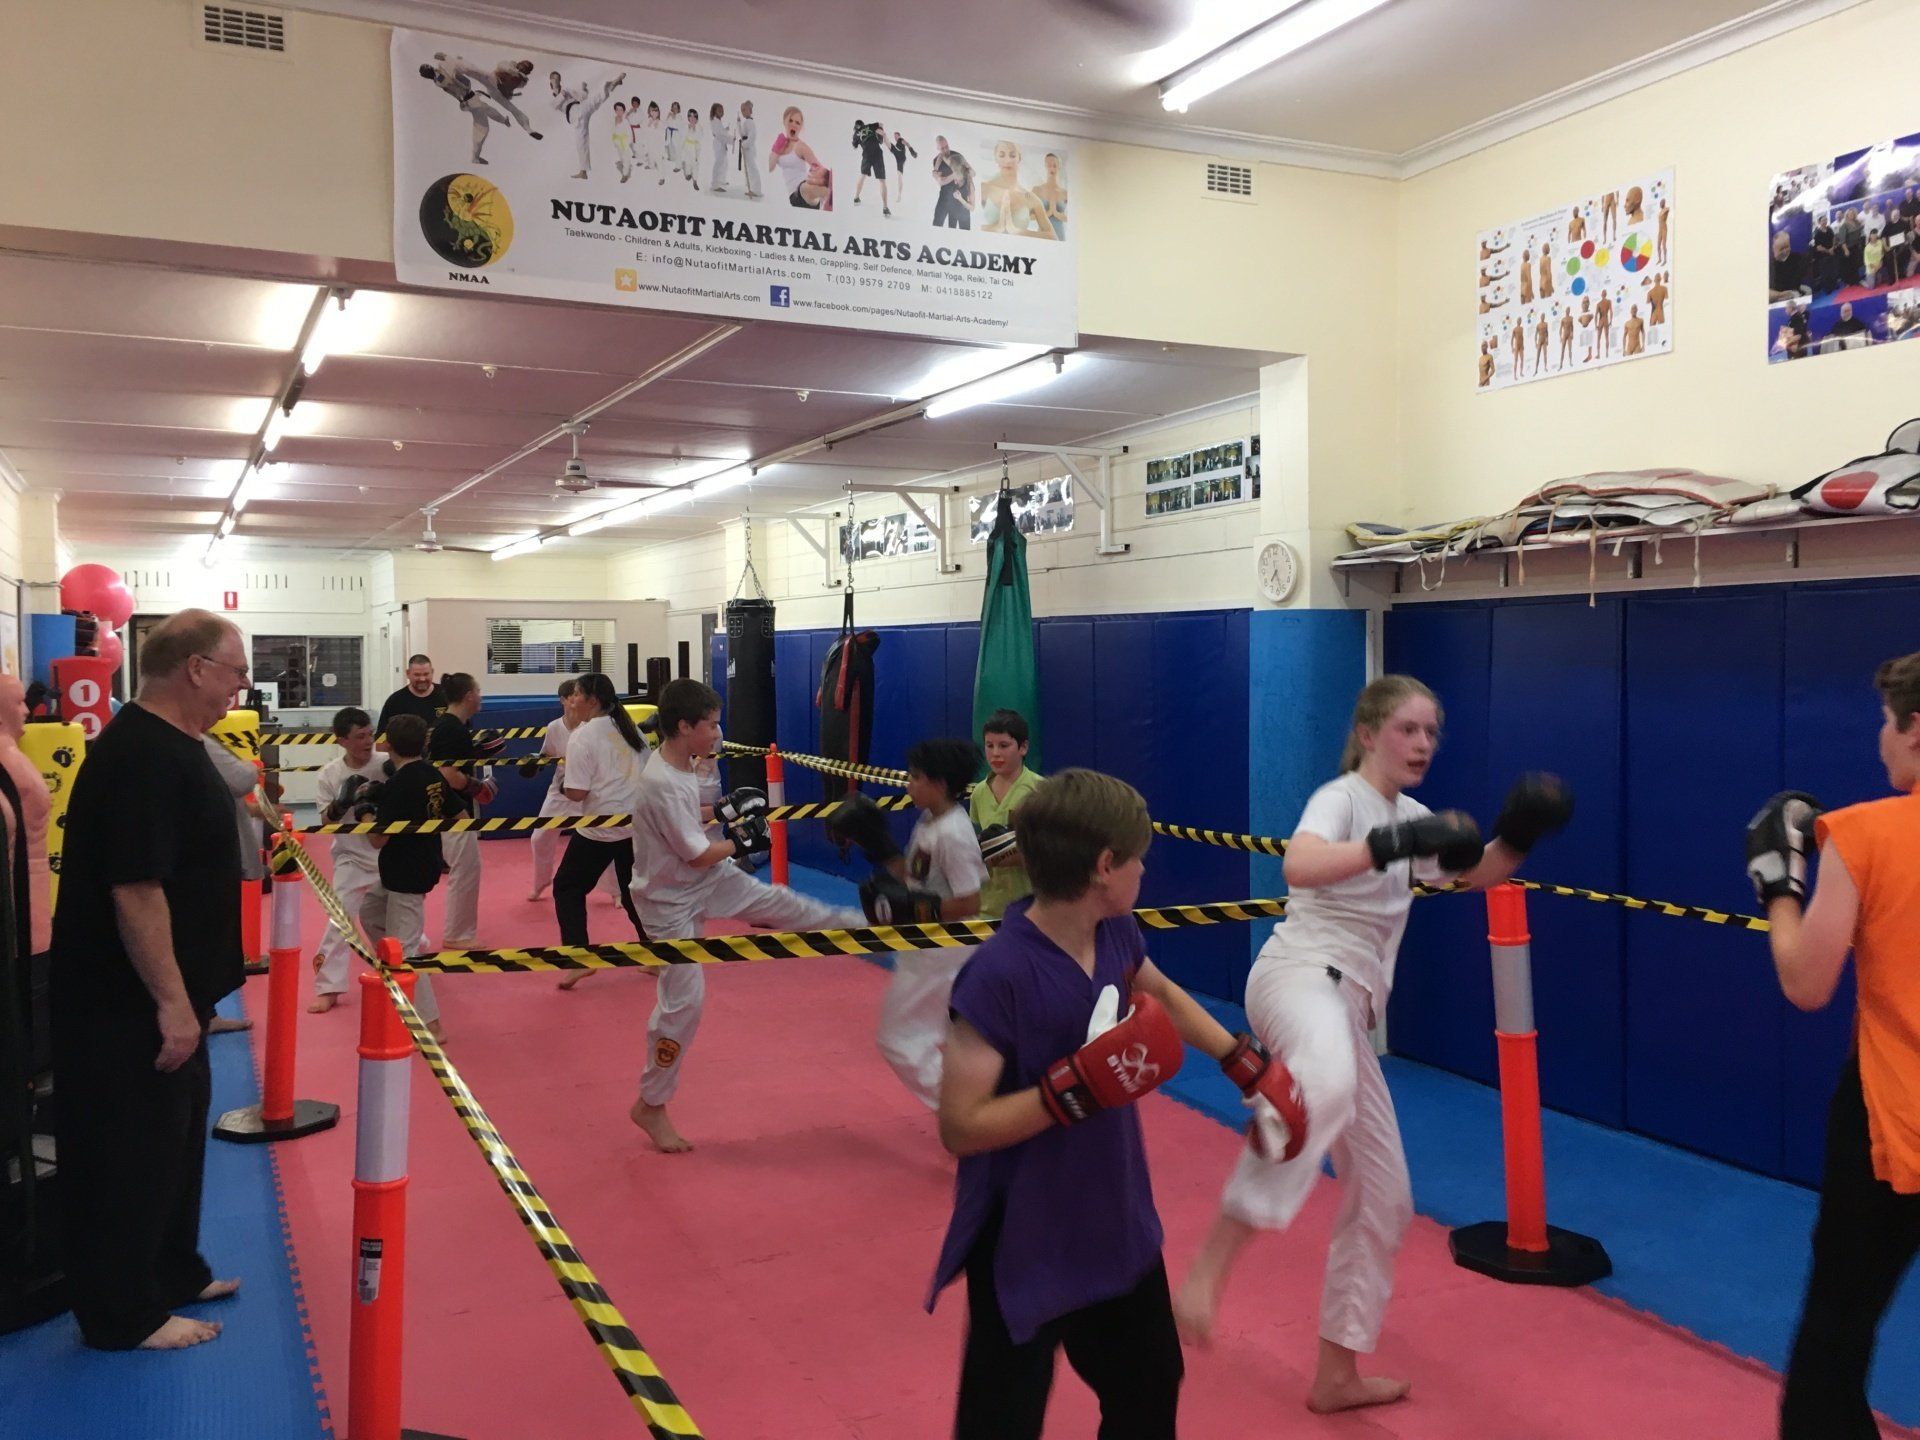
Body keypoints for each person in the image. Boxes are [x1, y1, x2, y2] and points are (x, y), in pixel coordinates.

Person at [1173, 674, 1571, 1413]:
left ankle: (1337, 1374)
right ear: (1367, 734)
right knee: (1322, 1087)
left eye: (1431, 732)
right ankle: (1210, 1266)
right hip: (1299, 977)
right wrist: (1391, 844)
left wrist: (1519, 833)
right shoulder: (1344, 799)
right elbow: (1299, 864)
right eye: (1406, 729)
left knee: (1386, 1197)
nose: (1422, 743)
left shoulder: (1411, 815)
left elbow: (1475, 874)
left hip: (1346, 1006)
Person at [930, 768, 1307, 1439]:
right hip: (1023, 1237)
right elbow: (959, 1127)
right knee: (1002, 1423)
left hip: (1114, 1215)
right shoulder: (996, 975)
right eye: (1138, 858)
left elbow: (1158, 991)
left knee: (1149, 1388)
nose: (1144, 870)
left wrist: (1242, 1062)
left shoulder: (1115, 932)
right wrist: (1070, 1093)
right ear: (1105, 866)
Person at [50, 610, 252, 1350]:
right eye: (235, 673)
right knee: (128, 1150)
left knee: (175, 1141)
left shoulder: (178, 744)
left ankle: (171, 1272)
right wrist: (170, 1003)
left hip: (176, 992)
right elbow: (136, 889)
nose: (239, 689)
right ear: (196, 668)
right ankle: (121, 1314)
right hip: (125, 999)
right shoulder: (140, 754)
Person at [1753, 652, 1920, 1439]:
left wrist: (1779, 888)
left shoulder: (1866, 833)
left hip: (1893, 1125)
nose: (1879, 739)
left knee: (1838, 1330)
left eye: (1885, 722)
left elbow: (1807, 982)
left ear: (1916, 729)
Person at [627, 680, 863, 1153]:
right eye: (712, 725)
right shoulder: (660, 781)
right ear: (684, 727)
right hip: (668, 902)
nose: (718, 733)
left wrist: (720, 811)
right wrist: (740, 841)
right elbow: (697, 853)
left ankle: (857, 925)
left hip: (701, 880)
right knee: (684, 1004)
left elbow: (686, 824)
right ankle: (651, 1104)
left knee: (778, 902)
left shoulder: (679, 766)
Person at [830, 739, 989, 1109]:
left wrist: (918, 912)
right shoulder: (930, 820)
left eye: (916, 778)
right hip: (927, 944)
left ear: (940, 783)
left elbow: (971, 901)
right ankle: (979, 1108)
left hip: (944, 949)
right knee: (954, 1037)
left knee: (898, 1039)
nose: (909, 785)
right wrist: (879, 846)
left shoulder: (954, 833)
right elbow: (916, 881)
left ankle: (962, 1111)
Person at [551, 674, 651, 991]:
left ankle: (578, 959)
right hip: (635, 823)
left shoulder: (582, 736)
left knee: (567, 886)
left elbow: (577, 793)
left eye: (577, 695)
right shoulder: (631, 729)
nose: (572, 701)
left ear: (592, 700)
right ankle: (656, 954)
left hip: (602, 827)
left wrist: (561, 784)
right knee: (632, 892)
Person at [359, 713, 446, 1041]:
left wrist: (365, 810)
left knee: (405, 949)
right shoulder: (431, 774)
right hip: (415, 865)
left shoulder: (399, 785)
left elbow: (377, 839)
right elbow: (456, 811)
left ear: (388, 745)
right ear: (424, 742)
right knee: (370, 912)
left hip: (406, 874)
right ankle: (392, 968)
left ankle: (430, 1024)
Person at [309, 707, 387, 1014]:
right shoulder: (329, 774)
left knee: (398, 920)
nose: (368, 741)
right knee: (338, 919)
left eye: (370, 734)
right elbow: (325, 823)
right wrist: (341, 803)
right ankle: (328, 988)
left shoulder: (387, 765)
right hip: (350, 858)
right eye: (360, 736)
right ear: (342, 741)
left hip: (388, 855)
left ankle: (413, 958)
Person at [427, 673, 503, 951]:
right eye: (478, 691)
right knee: (465, 870)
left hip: (453, 807)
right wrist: (478, 788)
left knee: (467, 869)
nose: (480, 697)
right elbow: (447, 774)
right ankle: (457, 935)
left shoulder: (455, 726)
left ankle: (458, 932)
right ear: (469, 695)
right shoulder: (450, 729)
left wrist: (474, 755)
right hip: (452, 810)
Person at [970, 709, 1042, 920]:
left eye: (1003, 745)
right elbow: (975, 847)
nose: (995, 753)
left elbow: (1054, 852)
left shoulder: (1041, 790)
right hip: (987, 908)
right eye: (989, 745)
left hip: (1031, 907)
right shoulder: (979, 793)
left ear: (1023, 747)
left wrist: (1010, 853)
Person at [0, 674, 50, 960]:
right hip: (21, 907)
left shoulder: (15, 760)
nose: (27, 710)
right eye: (18, 702)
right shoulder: (10, 764)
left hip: (31, 902)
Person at [417, 59, 514, 166]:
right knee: (482, 127)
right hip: (469, 100)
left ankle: (503, 121)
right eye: (428, 69)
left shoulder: (437, 77)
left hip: (469, 98)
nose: (431, 68)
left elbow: (452, 85)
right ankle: (475, 158)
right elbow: (453, 85)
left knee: (487, 110)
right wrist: (463, 97)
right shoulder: (440, 79)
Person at [979, 140, 1058, 239]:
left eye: (1012, 156)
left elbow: (1053, 236)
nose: (1007, 160)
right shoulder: (984, 188)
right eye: (1002, 155)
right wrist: (996, 227)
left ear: (1019, 158)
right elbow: (968, 227)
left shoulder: (1030, 197)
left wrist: (1019, 232)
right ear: (996, 158)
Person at [769, 106, 831, 211]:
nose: (793, 124)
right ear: (784, 121)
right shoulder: (780, 144)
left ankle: (828, 197)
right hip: (794, 198)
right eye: (790, 120)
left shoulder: (801, 147)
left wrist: (818, 178)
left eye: (797, 123)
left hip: (805, 190)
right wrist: (776, 149)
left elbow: (820, 168)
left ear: (801, 126)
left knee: (806, 188)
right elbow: (771, 166)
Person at [376, 654, 445, 742]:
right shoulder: (395, 701)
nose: (422, 679)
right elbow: (381, 737)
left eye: (426, 674)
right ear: (408, 673)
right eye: (417, 675)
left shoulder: (446, 695)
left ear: (432, 672)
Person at [932, 136, 973, 229]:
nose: (945, 149)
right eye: (942, 148)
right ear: (938, 148)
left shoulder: (957, 156)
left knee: (963, 229)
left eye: (946, 146)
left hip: (960, 197)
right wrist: (955, 174)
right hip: (944, 197)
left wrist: (962, 173)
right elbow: (940, 182)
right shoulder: (936, 161)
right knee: (937, 224)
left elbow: (971, 173)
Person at [853, 117, 891, 215]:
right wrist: (880, 133)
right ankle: (885, 208)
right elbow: (881, 124)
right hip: (877, 153)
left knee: (862, 175)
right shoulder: (869, 126)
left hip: (866, 155)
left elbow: (854, 147)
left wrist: (860, 140)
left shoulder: (855, 134)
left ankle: (856, 198)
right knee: (882, 180)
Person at [1034, 152, 1068, 242]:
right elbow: (1030, 216)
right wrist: (1049, 213)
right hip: (1042, 234)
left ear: (1059, 167)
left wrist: (1056, 213)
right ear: (1045, 166)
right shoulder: (1037, 190)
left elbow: (1070, 218)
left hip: (1059, 235)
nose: (1051, 168)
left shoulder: (1065, 193)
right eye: (1049, 165)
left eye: (1054, 166)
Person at [1771, 229, 1811, 303]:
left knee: (1808, 290)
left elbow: (1804, 264)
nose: (1785, 251)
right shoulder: (1773, 265)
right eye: (1781, 249)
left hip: (1795, 288)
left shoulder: (1796, 257)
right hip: (1781, 294)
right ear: (1774, 249)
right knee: (1795, 296)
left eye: (1787, 247)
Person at [707, 102, 733, 193]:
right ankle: (715, 184)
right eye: (719, 111)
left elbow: (721, 132)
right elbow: (719, 135)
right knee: (719, 163)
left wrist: (725, 130)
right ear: (714, 111)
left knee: (724, 163)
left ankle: (721, 180)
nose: (721, 112)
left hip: (721, 143)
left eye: (722, 111)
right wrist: (731, 140)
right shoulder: (715, 121)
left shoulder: (718, 121)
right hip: (719, 144)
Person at [737, 100, 761, 199]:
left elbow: (752, 137)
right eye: (741, 110)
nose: (742, 112)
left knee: (752, 168)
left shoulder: (750, 122)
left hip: (749, 148)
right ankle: (751, 187)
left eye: (744, 109)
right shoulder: (746, 122)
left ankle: (756, 190)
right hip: (746, 148)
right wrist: (738, 123)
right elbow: (742, 134)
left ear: (750, 110)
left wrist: (745, 144)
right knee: (749, 168)